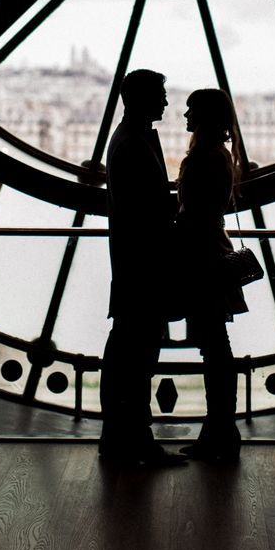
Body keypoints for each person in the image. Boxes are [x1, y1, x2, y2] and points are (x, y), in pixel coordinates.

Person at [99, 68, 185, 467]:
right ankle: (133, 436)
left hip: (134, 265)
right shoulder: (137, 143)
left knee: (129, 353)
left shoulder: (127, 141)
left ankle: (123, 435)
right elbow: (148, 211)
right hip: (145, 267)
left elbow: (135, 210)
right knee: (139, 356)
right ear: (143, 99)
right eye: (161, 95)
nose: (167, 102)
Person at [175, 88, 248, 461]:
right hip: (212, 255)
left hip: (199, 259)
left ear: (203, 119)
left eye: (190, 111)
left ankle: (219, 430)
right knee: (216, 346)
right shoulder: (219, 156)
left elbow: (191, 211)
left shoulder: (203, 157)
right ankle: (221, 429)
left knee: (213, 347)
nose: (184, 116)